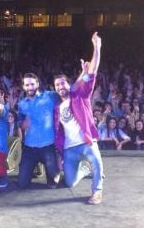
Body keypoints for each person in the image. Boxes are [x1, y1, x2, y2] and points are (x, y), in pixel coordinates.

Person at [53, 32, 104, 205]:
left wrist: (97, 48)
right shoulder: (56, 108)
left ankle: (97, 191)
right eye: (57, 85)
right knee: (69, 182)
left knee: (97, 163)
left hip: (86, 142)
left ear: (69, 84)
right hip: (69, 149)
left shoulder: (80, 95)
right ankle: (83, 169)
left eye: (63, 83)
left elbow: (93, 71)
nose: (60, 86)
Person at [16, 72, 60, 189]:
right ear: (23, 87)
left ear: (37, 84)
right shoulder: (21, 104)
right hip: (30, 148)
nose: (30, 87)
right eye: (27, 85)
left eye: (32, 84)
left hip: (48, 147)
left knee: (53, 183)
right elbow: (19, 121)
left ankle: (53, 168)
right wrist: (22, 124)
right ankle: (37, 167)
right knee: (22, 184)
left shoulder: (50, 96)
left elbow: (65, 92)